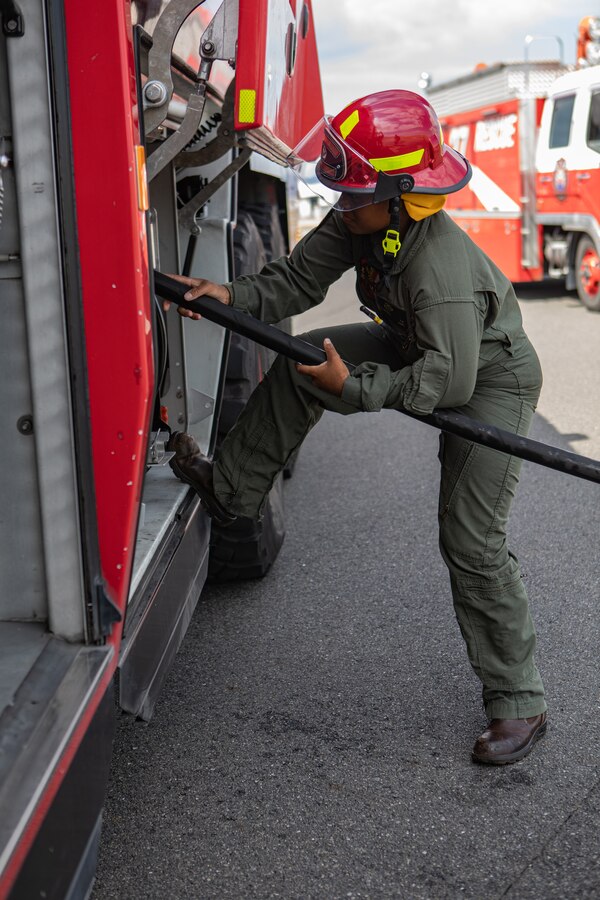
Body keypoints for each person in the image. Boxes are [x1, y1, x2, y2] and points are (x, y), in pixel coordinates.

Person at [164, 90, 547, 765]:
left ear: (400, 195)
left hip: (485, 378)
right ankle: (230, 492)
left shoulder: (439, 272)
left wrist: (357, 386)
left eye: (354, 192)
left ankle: (519, 702)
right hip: (414, 343)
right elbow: (299, 279)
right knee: (300, 363)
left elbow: (445, 386)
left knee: (470, 539)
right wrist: (234, 294)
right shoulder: (364, 218)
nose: (341, 202)